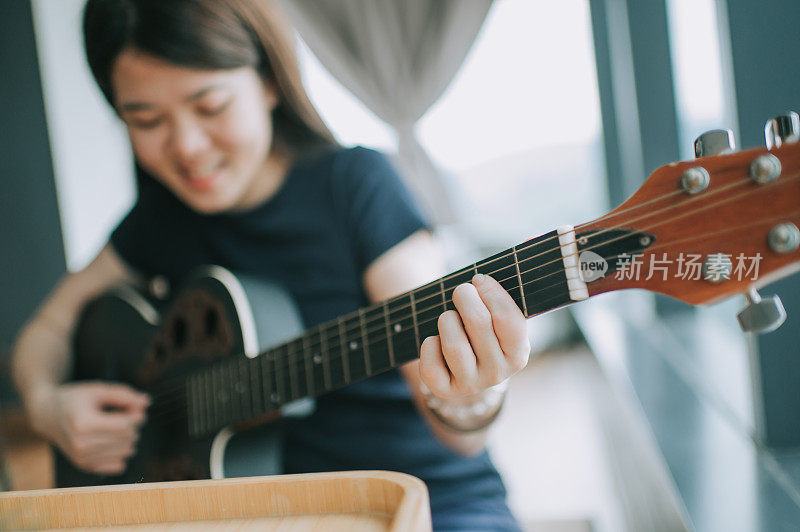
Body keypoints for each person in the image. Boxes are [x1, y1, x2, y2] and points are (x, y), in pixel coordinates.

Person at [11, 0, 530, 529]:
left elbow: (457, 433)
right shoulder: (158, 222)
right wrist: (48, 404)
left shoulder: (357, 187)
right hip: (267, 518)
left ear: (268, 81)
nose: (187, 147)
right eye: (145, 119)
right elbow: (45, 331)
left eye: (210, 106)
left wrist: (470, 400)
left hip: (428, 502)